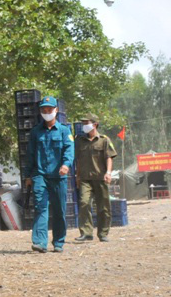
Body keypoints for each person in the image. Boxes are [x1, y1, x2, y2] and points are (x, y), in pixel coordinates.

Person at [24, 96, 74, 253]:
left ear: (56, 110)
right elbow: (30, 154)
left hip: (58, 177)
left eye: (49, 110)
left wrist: (66, 165)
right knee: (40, 207)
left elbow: (69, 150)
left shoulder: (65, 131)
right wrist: (27, 175)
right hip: (40, 176)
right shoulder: (35, 132)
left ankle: (58, 241)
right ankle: (40, 242)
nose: (47, 112)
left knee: (59, 209)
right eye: (44, 110)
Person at [74, 114, 117, 242]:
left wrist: (108, 173)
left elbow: (109, 157)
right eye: (83, 123)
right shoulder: (79, 141)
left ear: (95, 124)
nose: (84, 126)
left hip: (100, 178)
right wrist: (77, 176)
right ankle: (86, 233)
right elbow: (78, 160)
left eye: (86, 123)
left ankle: (103, 233)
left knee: (103, 206)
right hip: (85, 179)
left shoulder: (104, 140)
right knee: (84, 203)